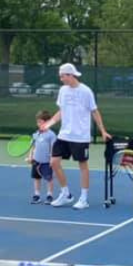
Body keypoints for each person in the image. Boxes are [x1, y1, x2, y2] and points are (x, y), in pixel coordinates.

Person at [41, 62, 111, 210]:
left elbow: (95, 112)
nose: (61, 79)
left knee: (83, 166)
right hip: (64, 135)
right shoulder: (63, 91)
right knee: (54, 162)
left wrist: (103, 131)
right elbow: (61, 111)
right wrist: (49, 123)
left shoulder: (86, 91)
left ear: (70, 75)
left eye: (62, 76)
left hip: (80, 136)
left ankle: (84, 198)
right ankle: (66, 194)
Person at [29, 109, 57, 204]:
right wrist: (30, 156)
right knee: (36, 178)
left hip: (47, 162)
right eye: (37, 122)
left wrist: (52, 159)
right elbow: (33, 147)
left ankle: (49, 195)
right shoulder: (35, 134)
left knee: (49, 178)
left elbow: (53, 148)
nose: (38, 124)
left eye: (40, 122)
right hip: (36, 161)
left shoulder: (51, 135)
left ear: (47, 122)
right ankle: (37, 195)